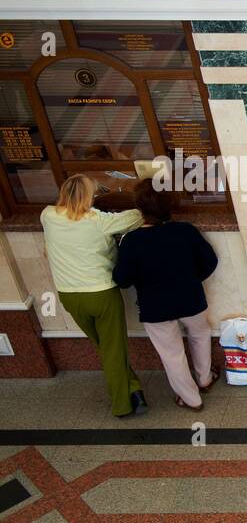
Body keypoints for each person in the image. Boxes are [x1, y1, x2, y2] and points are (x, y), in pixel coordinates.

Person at [40, 174, 147, 418]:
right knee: (113, 349)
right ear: (90, 196)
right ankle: (123, 404)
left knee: (104, 347)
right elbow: (139, 215)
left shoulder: (47, 215)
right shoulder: (99, 220)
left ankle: (134, 388)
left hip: (69, 294)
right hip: (101, 294)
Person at [113, 184, 219, 411]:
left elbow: (122, 279)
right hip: (191, 298)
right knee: (200, 335)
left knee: (172, 354)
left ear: (140, 210)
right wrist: (192, 278)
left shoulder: (131, 241)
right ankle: (205, 379)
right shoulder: (185, 231)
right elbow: (210, 261)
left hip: (155, 306)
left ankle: (191, 399)